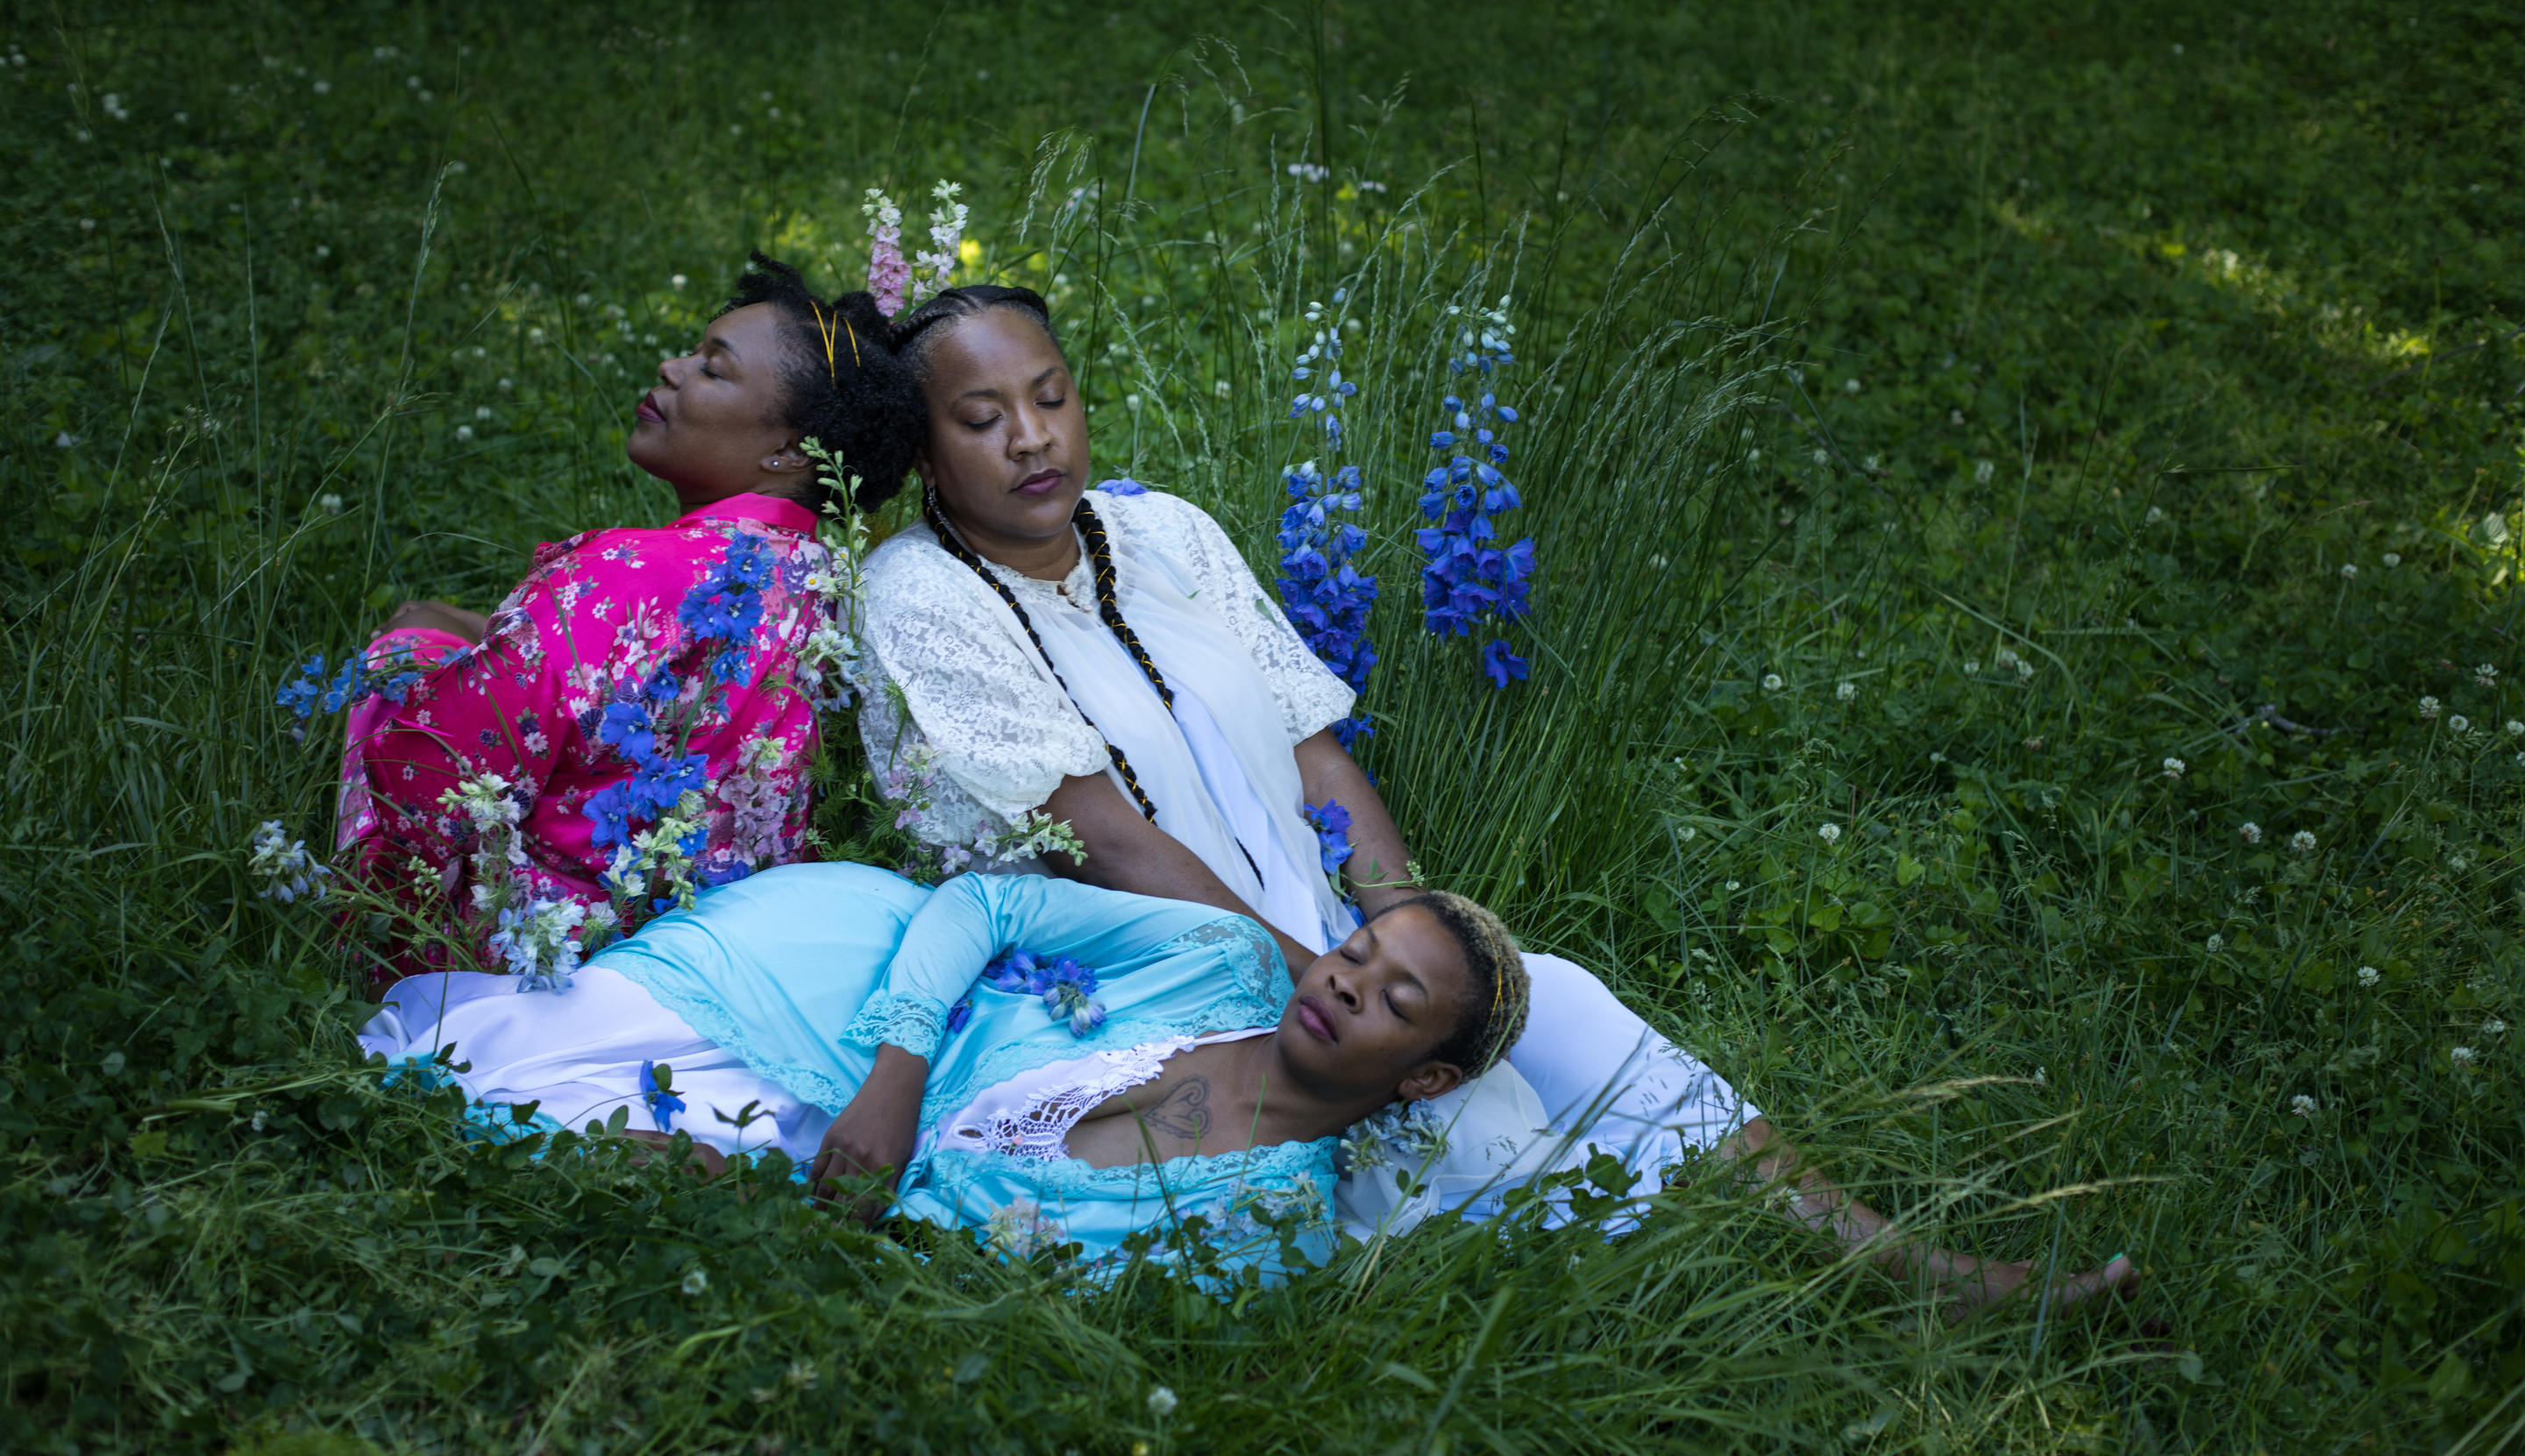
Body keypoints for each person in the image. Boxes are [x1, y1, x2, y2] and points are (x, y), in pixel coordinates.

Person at [845, 284, 2137, 1310]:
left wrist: (1409, 932)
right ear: (923, 451)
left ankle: (1887, 1257)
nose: (1033, 438)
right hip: (1143, 988)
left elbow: (1316, 755)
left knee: (1553, 998)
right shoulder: (920, 592)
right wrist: (1329, 984)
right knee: (1466, 1152)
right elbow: (1103, 839)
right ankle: (1669, 1272)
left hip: (1328, 960)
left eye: (1052, 397)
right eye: (982, 418)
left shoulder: (1166, 532)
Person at [357, 859, 1532, 1280]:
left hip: (842, 1173)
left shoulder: (1270, 1223)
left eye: (1396, 1001)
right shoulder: (1220, 959)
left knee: (603, 1153)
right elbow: (989, 902)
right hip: (859, 990)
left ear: (1425, 1080)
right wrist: (899, 1075)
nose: (1345, 984)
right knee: (493, 1062)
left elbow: (1013, 1290)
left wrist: (777, 1208)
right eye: (1355, 951)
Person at [338, 255, 921, 983]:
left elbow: (433, 769)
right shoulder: (828, 589)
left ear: (787, 451)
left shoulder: (628, 573)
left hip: (540, 949)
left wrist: (381, 922)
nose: (672, 368)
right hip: (724, 949)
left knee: (406, 648)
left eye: (712, 369)